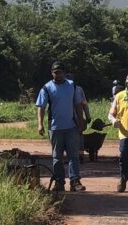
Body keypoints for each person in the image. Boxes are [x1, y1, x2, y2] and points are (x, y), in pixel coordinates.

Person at [36, 61, 86, 192]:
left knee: (73, 156)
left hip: (71, 127)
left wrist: (81, 122)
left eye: (60, 72)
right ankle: (59, 182)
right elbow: (41, 107)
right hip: (55, 128)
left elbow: (78, 105)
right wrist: (40, 124)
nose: (57, 74)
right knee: (57, 157)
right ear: (52, 73)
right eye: (55, 72)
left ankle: (75, 181)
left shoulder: (72, 86)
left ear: (65, 73)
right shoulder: (46, 88)